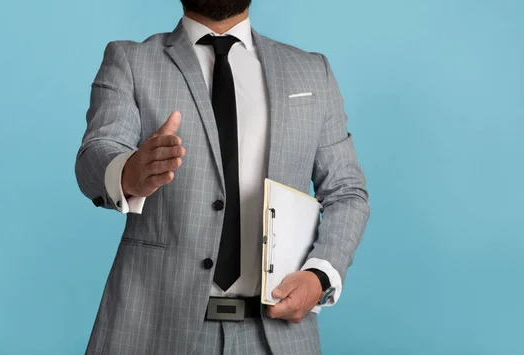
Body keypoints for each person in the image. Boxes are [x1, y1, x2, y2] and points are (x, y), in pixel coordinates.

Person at [75, 0, 370, 353]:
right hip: (152, 330)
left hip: (276, 336)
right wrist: (129, 172)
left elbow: (346, 192)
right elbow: (95, 155)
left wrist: (320, 276)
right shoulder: (130, 61)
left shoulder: (311, 71)